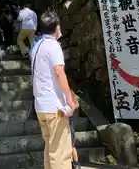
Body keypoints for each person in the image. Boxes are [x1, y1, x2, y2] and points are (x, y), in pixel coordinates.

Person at [31, 10, 77, 169]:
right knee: (61, 154)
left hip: (41, 106)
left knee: (51, 149)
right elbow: (59, 72)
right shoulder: (53, 45)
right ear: (56, 27)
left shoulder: (36, 46)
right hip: (55, 107)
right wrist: (70, 100)